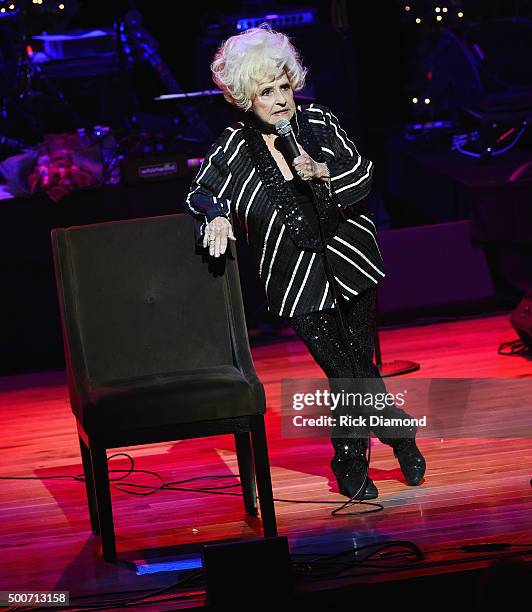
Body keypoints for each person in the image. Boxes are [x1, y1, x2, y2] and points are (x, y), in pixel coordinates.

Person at [185, 24, 426, 500]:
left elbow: (362, 176)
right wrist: (214, 216)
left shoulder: (318, 123)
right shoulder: (234, 145)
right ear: (243, 98)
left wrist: (323, 173)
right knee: (345, 369)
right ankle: (396, 437)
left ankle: (352, 461)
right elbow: (200, 191)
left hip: (351, 263)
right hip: (293, 279)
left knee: (353, 367)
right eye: (265, 92)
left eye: (283, 86)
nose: (279, 100)